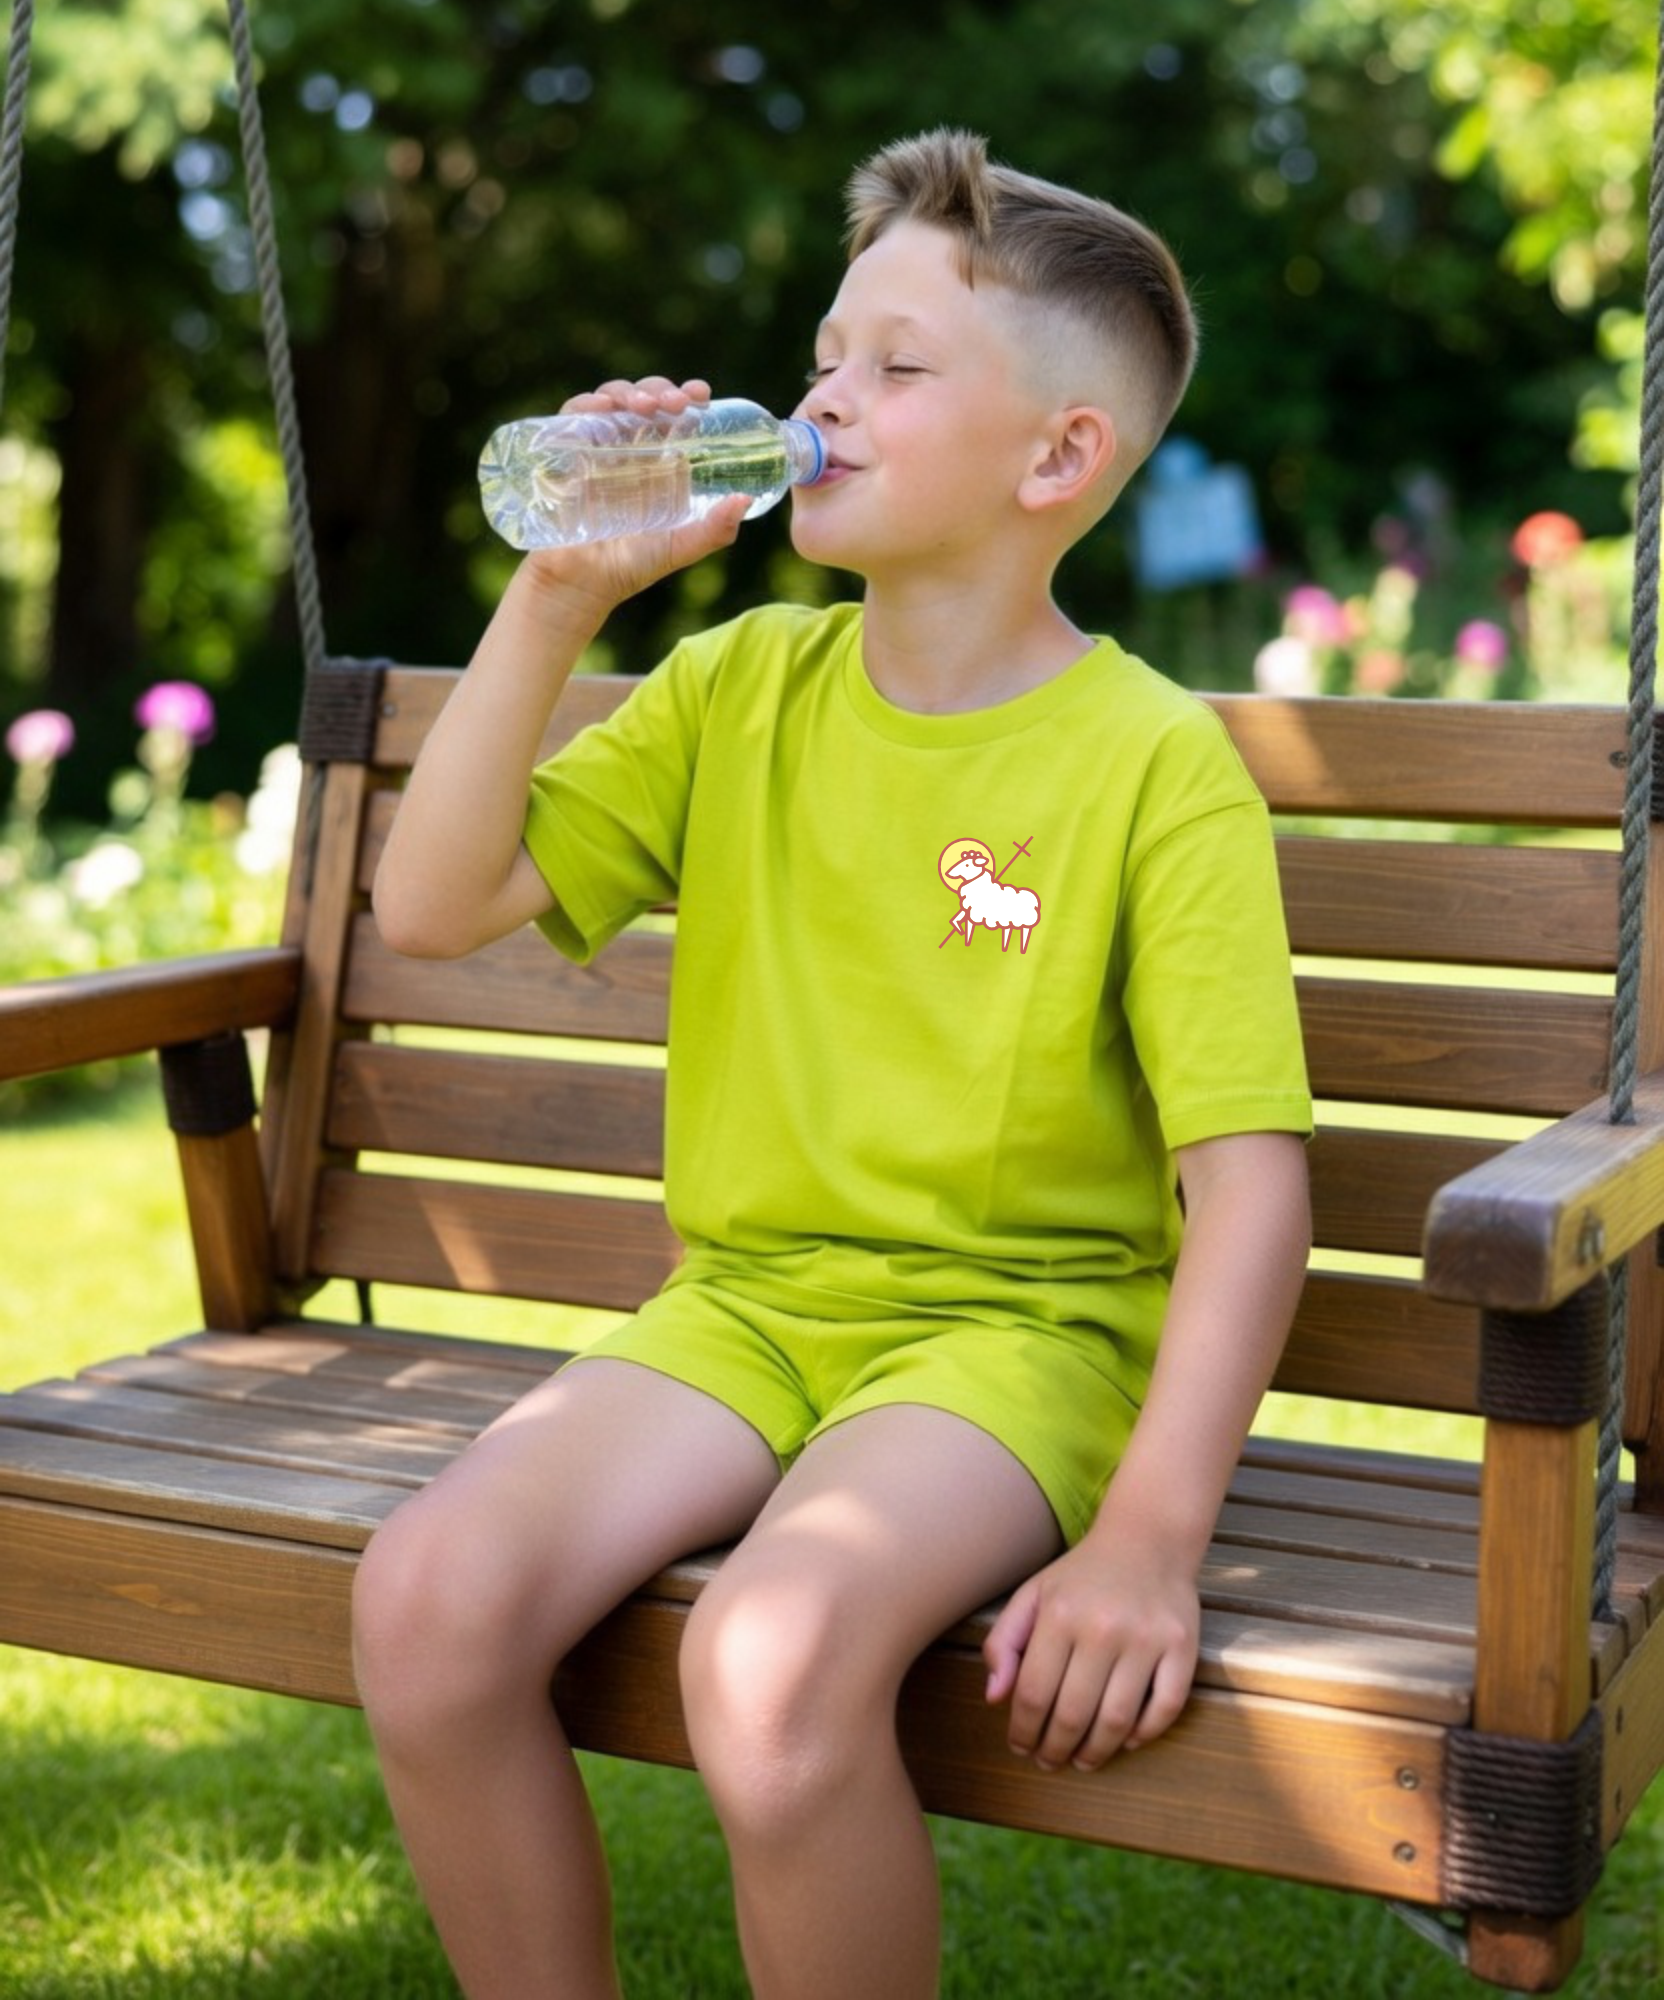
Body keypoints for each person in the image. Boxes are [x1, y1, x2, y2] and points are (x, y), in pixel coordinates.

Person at [356, 126, 1313, 2000]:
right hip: (750, 1312)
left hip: (1017, 1344)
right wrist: (558, 596)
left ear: (1060, 459)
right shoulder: (739, 690)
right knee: (427, 1602)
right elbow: (431, 901)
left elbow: (1252, 1193)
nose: (826, 399)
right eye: (824, 355)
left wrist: (1147, 1541)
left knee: (766, 1662)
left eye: (898, 364)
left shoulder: (1150, 764)